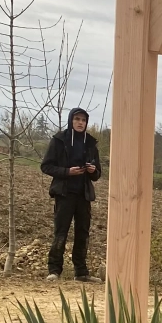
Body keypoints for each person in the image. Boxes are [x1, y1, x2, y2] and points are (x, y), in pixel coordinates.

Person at [40, 107, 101, 282]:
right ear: (71, 121)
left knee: (83, 233)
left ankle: (81, 273)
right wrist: (67, 172)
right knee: (61, 232)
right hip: (64, 194)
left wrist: (92, 170)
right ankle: (54, 271)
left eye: (83, 120)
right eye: (77, 119)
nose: (80, 123)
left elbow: (97, 175)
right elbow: (46, 166)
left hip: (84, 195)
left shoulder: (91, 143)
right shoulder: (59, 141)